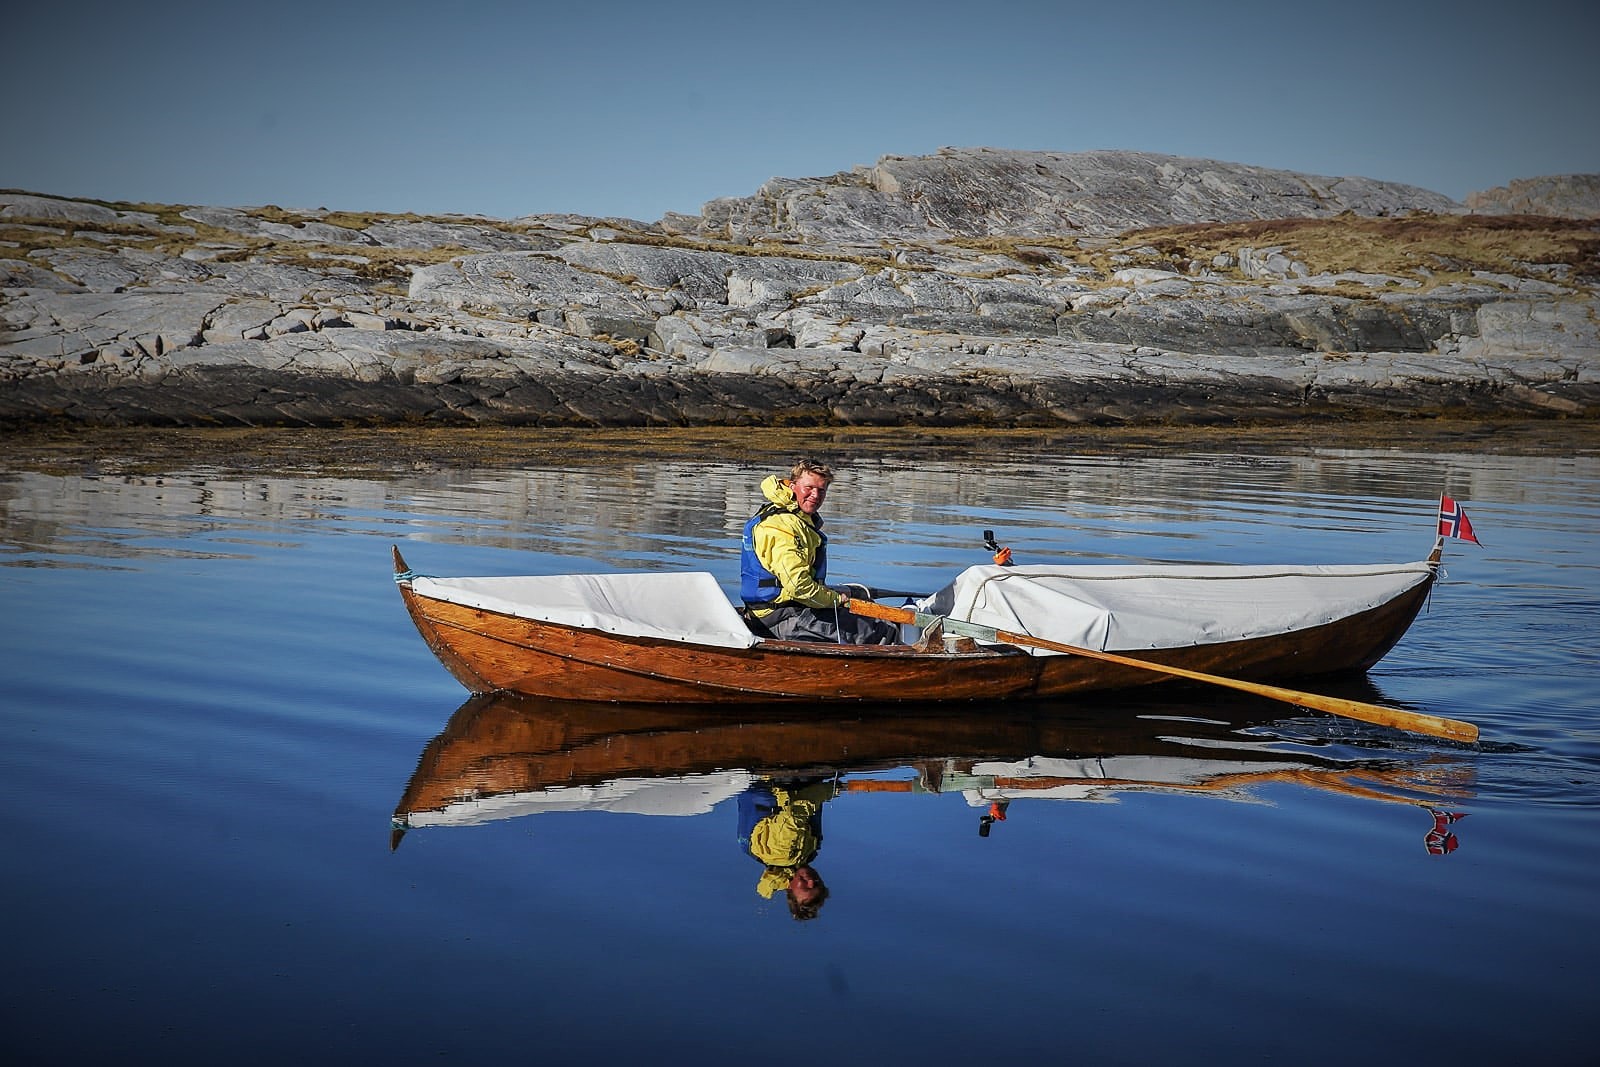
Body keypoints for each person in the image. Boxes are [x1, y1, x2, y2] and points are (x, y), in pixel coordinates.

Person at [740, 459, 900, 644]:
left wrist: (836, 597)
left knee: (866, 611)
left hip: (786, 607)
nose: (815, 495)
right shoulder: (783, 527)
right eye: (809, 487)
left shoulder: (794, 517)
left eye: (821, 490)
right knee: (882, 630)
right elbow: (798, 586)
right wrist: (835, 599)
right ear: (792, 486)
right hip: (781, 616)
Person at [737, 777, 835, 920]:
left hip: (774, 779)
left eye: (806, 887)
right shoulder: (805, 855)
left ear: (789, 888)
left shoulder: (783, 854)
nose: (812, 881)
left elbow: (795, 813)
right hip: (778, 783)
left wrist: (830, 790)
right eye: (817, 884)